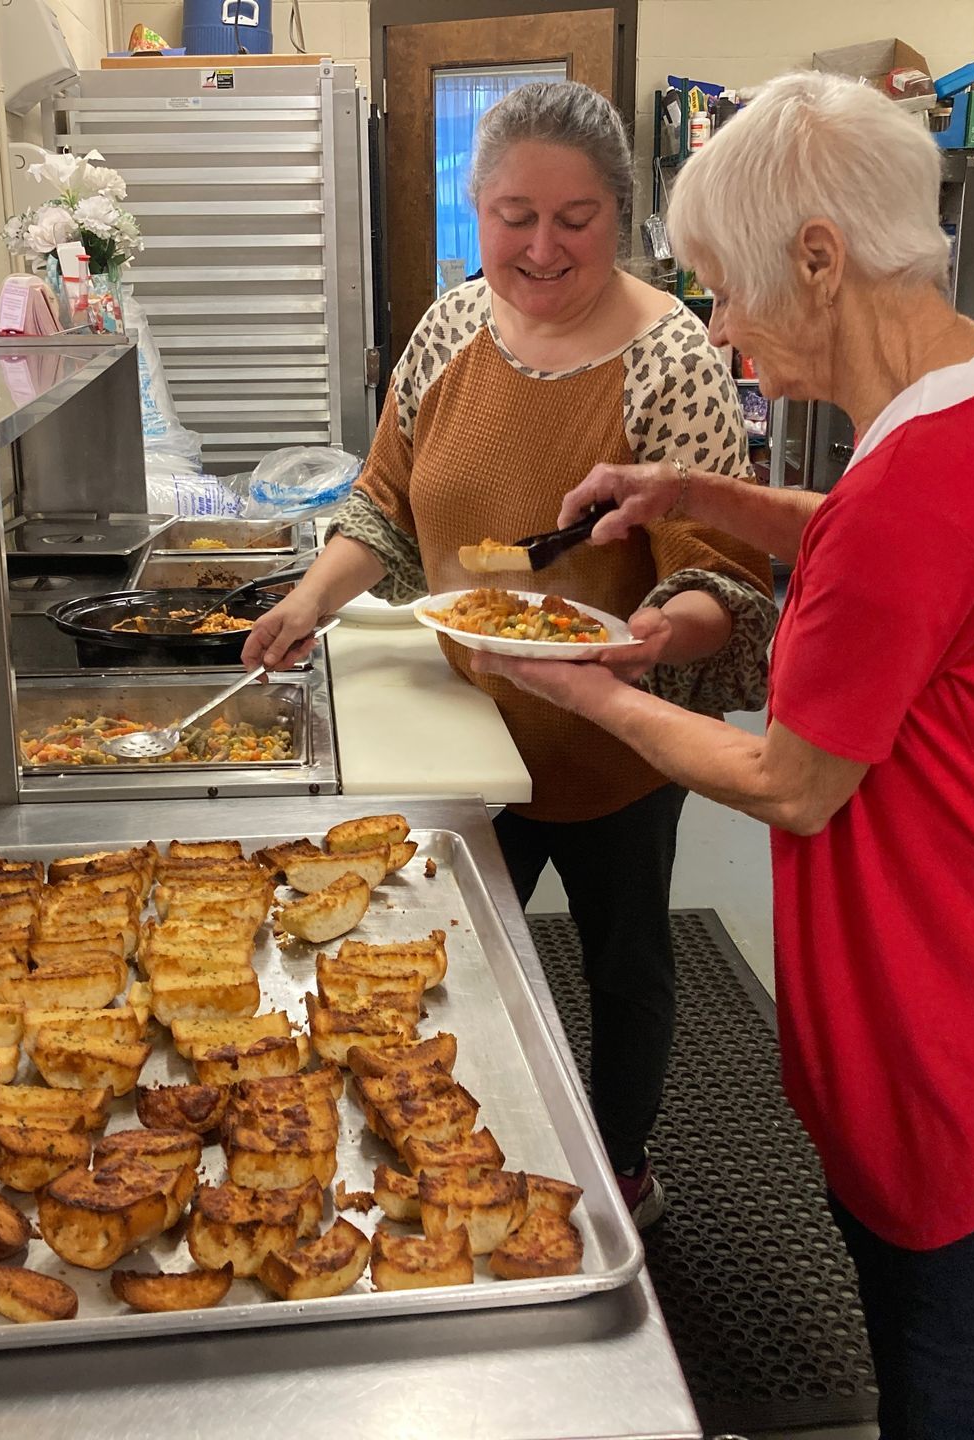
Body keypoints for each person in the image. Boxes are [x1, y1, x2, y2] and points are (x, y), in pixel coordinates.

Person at [472, 71, 974, 1438]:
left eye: (725, 289)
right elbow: (881, 548)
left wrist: (579, 685)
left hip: (969, 1024)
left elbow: (787, 779)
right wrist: (695, 494)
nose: (720, 328)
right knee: (949, 1358)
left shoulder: (919, 486)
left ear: (819, 258)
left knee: (965, 1387)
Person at [243, 80, 776, 1225]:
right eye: (512, 214)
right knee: (437, 966)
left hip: (614, 739)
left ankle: (622, 1169)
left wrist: (647, 640)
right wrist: (310, 602)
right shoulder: (448, 328)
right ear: (476, 212)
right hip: (460, 727)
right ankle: (441, 1153)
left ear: (620, 218)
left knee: (626, 966)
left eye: (574, 218)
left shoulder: (672, 357)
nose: (540, 246)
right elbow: (385, 504)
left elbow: (721, 576)